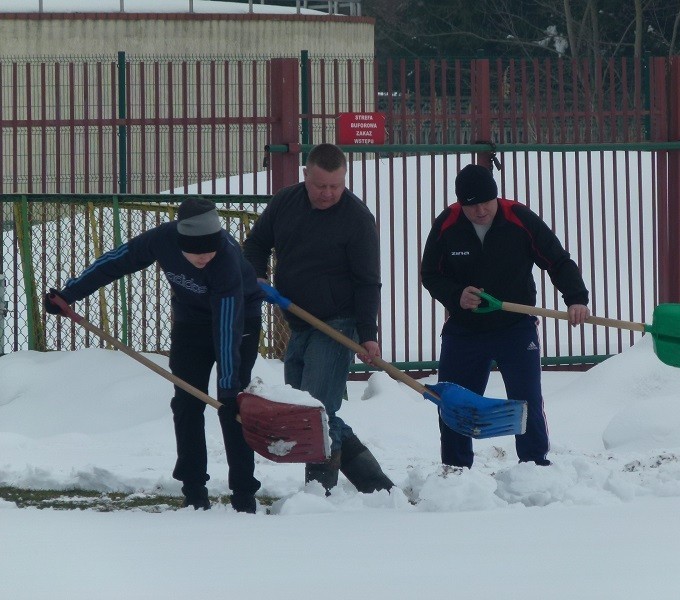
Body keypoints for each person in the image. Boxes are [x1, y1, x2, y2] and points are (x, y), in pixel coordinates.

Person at [44, 198, 264, 513]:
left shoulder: (225, 260)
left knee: (233, 406)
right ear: (180, 241)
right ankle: (194, 491)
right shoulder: (162, 239)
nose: (204, 257)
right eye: (196, 251)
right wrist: (69, 294)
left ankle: (244, 494)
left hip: (239, 320)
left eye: (209, 250)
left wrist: (229, 387)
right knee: (187, 403)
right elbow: (117, 261)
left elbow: (227, 330)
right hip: (191, 322)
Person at [243, 143, 394, 494]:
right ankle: (378, 488)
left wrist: (367, 333)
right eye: (321, 185)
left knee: (316, 414)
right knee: (308, 411)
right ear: (305, 176)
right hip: (297, 322)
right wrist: (256, 274)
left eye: (336, 186)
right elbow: (256, 244)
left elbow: (368, 281)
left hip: (337, 323)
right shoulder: (284, 202)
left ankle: (320, 491)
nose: (328, 194)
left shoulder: (356, 218)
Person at [420, 164, 591, 468]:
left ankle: (534, 465)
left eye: (486, 202)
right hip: (465, 329)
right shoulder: (448, 224)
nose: (481, 211)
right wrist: (456, 295)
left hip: (515, 326)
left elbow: (557, 259)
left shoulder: (518, 218)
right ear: (461, 204)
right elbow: (430, 274)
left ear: (496, 197)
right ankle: (456, 471)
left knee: (527, 400)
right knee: (453, 403)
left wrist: (576, 298)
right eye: (472, 205)